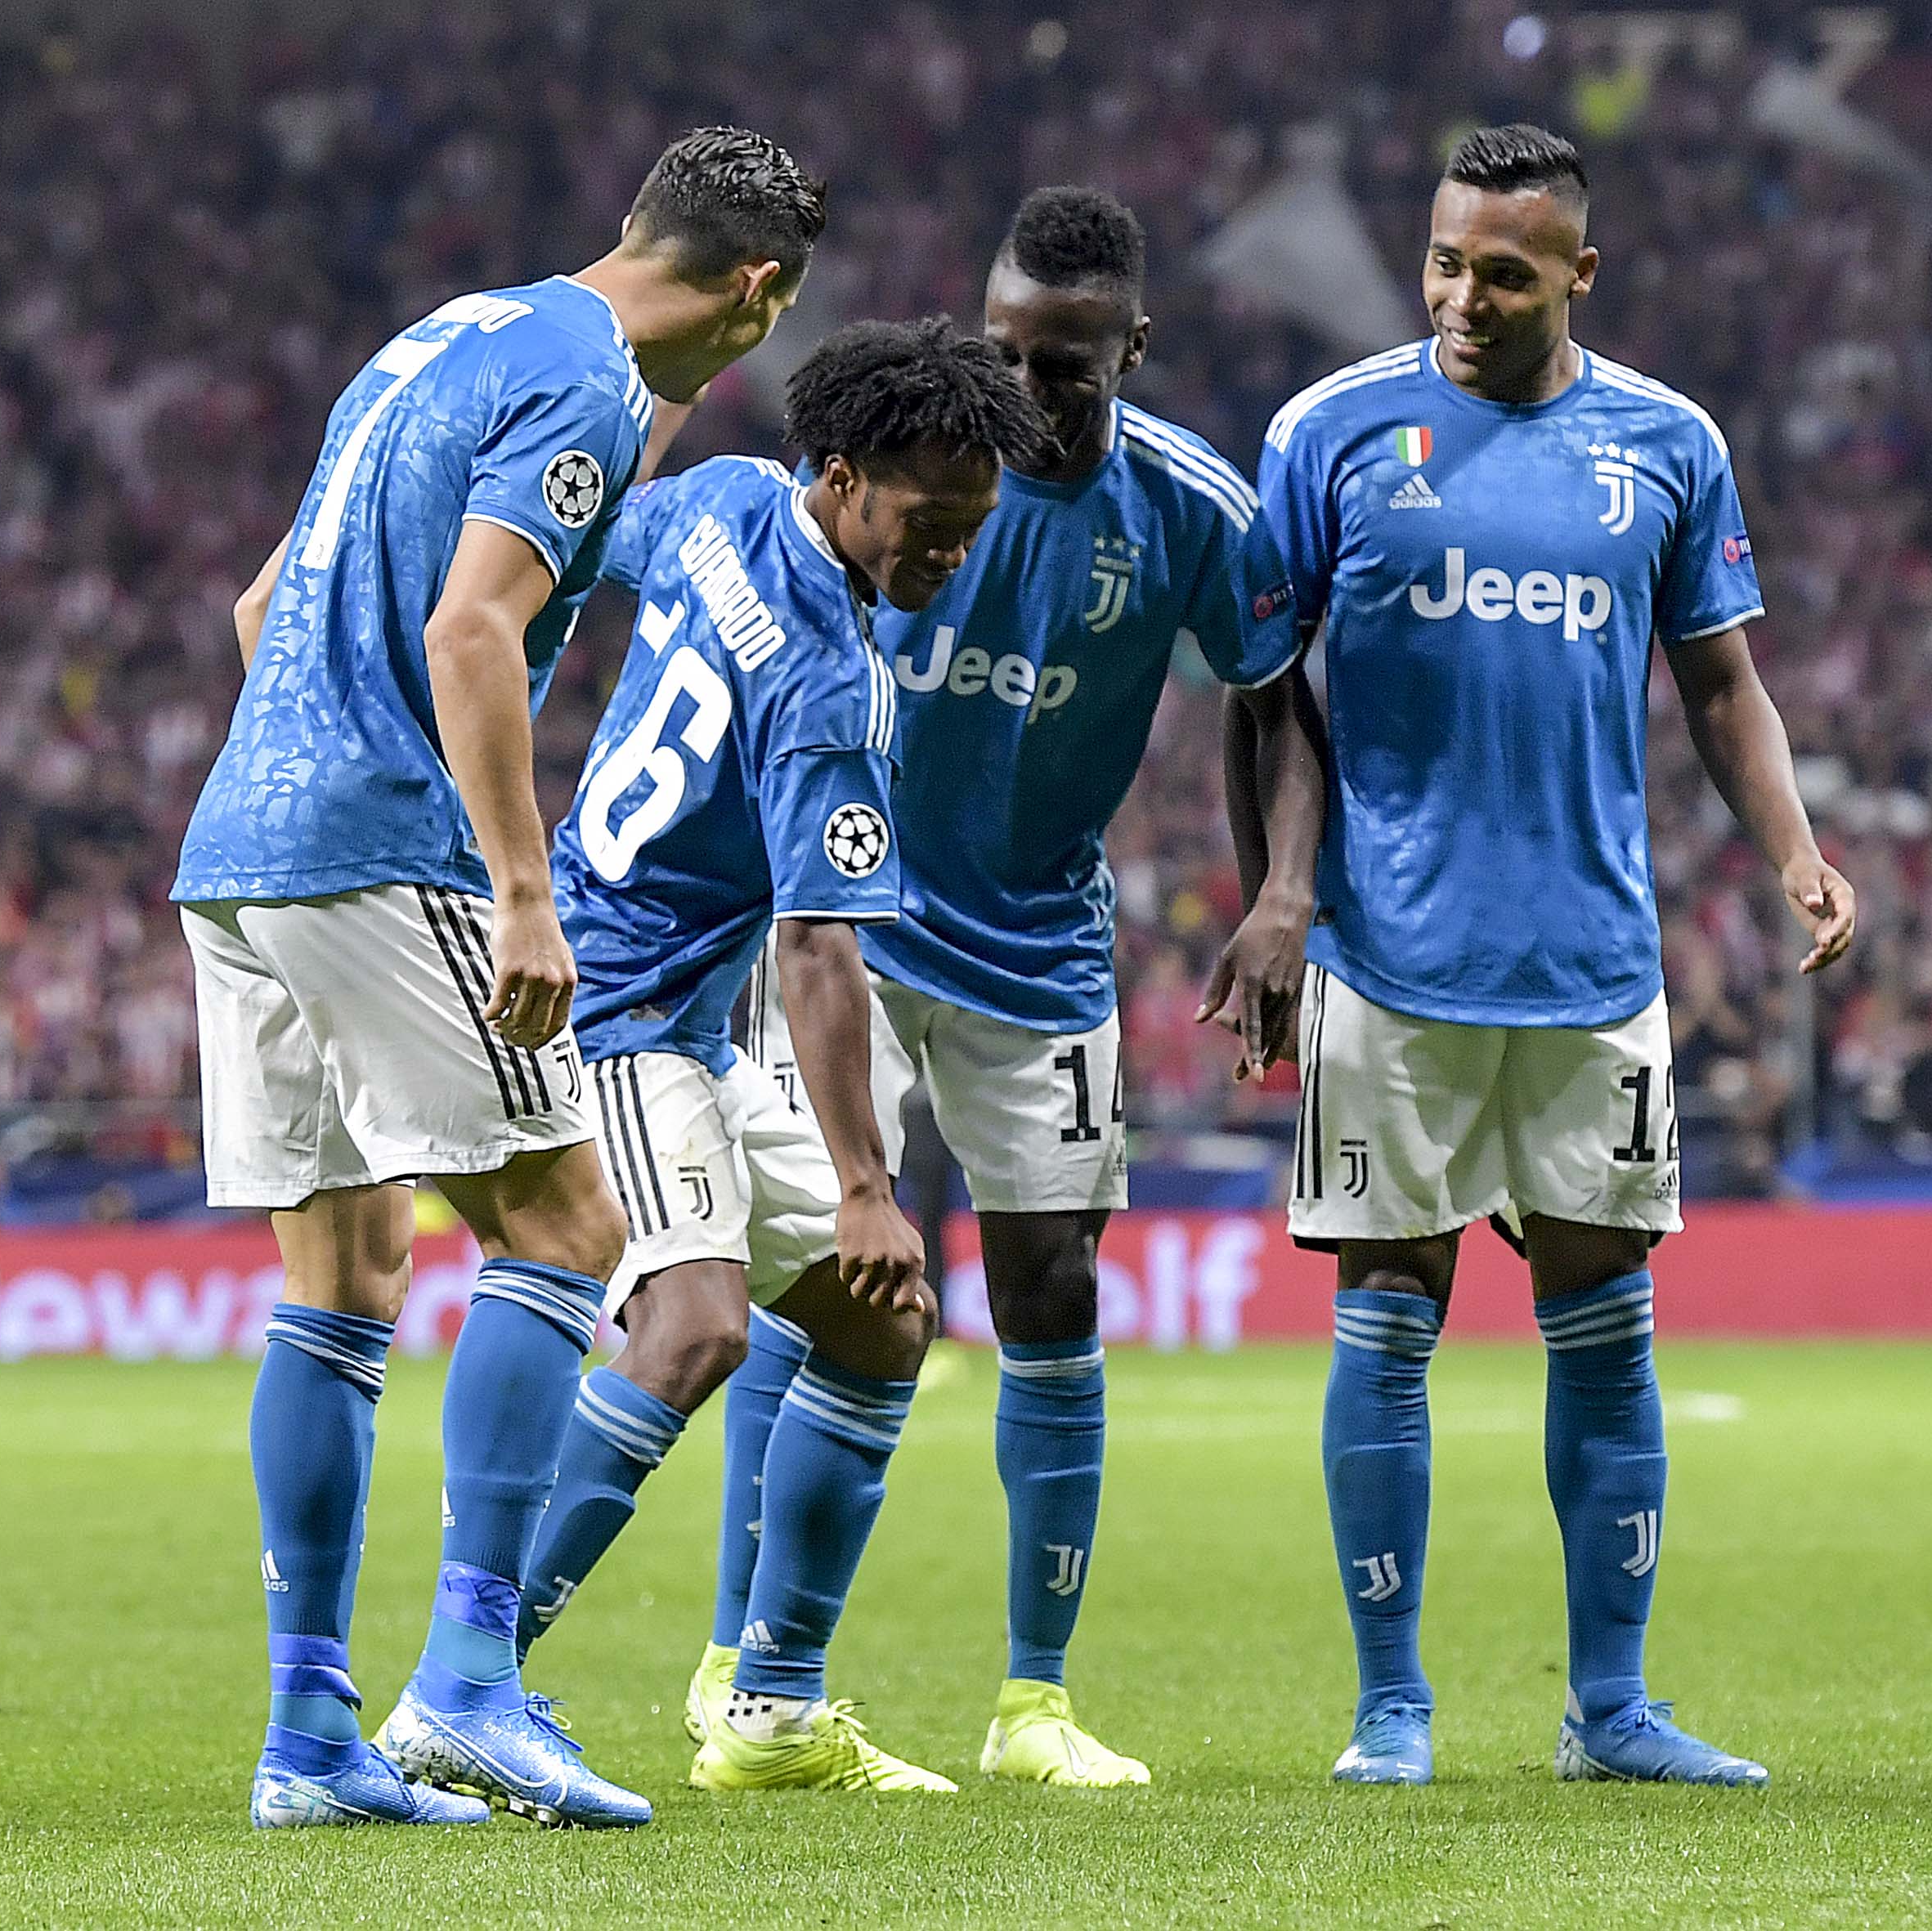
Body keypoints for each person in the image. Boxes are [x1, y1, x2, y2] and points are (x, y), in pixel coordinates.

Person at [170, 126, 825, 1831]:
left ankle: (310, 1735)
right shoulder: (584, 384)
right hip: (387, 846)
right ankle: (468, 1682)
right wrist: (522, 895)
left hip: (242, 841)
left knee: (345, 1273)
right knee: (567, 1229)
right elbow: (470, 628)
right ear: (759, 289)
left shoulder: (448, 338)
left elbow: (261, 603)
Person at [1237, 123, 1855, 1790]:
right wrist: (1281, 892)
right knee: (1386, 1317)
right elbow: (1267, 688)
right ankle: (1390, 1708)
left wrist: (1793, 853)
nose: (1462, 297)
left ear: (1580, 272)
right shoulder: (1327, 431)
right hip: (1390, 959)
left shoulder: (1665, 443)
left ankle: (1610, 1708)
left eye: (1503, 274)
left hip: (1591, 962)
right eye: (1444, 261)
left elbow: (1722, 682)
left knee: (1605, 1323)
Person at [736, 186, 1315, 1786]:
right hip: (849, 926)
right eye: (1003, 352)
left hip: (1039, 941)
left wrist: (1278, 894)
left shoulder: (1192, 509)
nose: (1025, 388)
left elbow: (1274, 695)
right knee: (809, 1276)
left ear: (1134, 346)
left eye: (1064, 362)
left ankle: (1033, 1703)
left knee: (1052, 1291)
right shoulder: (904, 472)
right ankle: (746, 1671)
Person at [509, 317, 1046, 1795]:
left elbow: (594, 540)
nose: (949, 553)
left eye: (974, 526)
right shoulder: (833, 688)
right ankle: (470, 1674)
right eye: (928, 521)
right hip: (618, 1010)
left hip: (673, 1012)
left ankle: (773, 1711)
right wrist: (869, 1184)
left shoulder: (728, 498)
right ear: (844, 475)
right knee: (698, 1326)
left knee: (881, 1323)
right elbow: (817, 948)